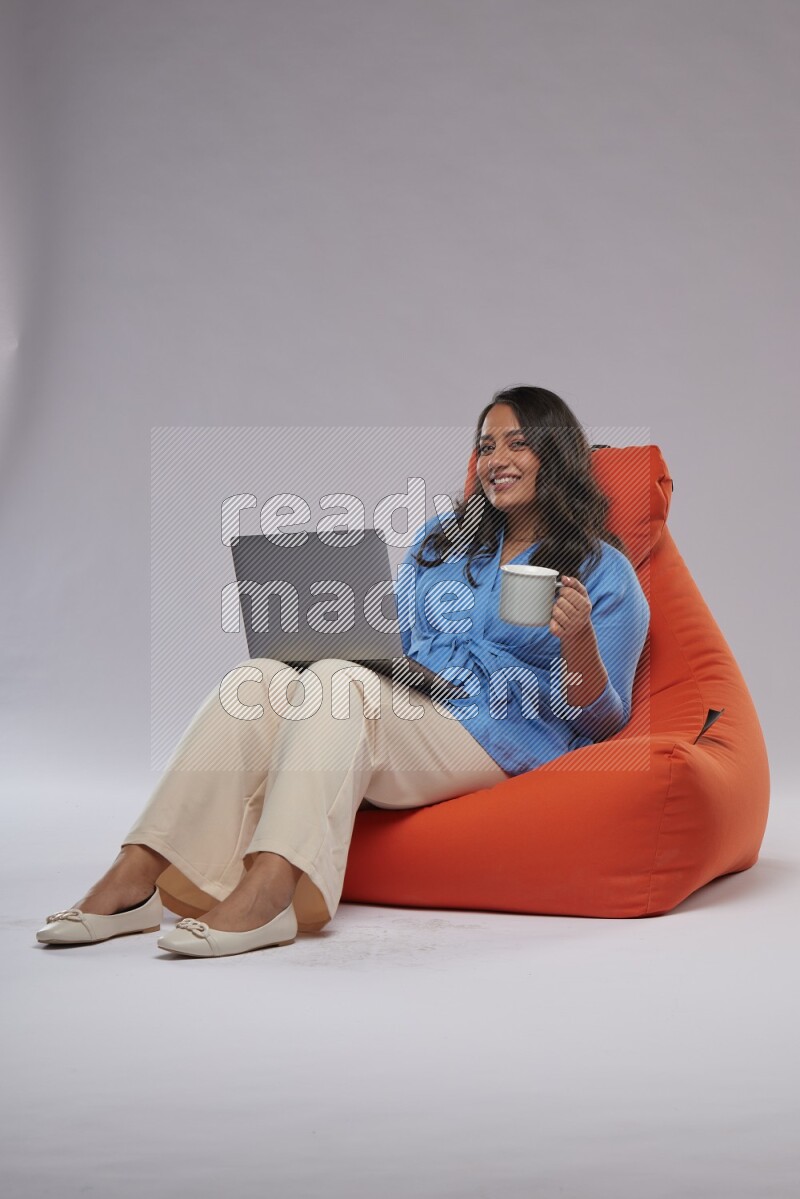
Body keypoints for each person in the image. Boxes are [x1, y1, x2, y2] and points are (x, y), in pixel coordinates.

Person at [36, 385, 650, 958]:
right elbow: (400, 644)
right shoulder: (444, 542)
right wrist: (370, 652)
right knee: (260, 681)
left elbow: (602, 718)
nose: (496, 459)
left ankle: (270, 892)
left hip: (503, 732)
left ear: (556, 455)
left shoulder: (603, 570)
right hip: (421, 702)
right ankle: (138, 873)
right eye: (486, 445)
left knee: (340, 681)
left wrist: (579, 640)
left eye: (518, 443)